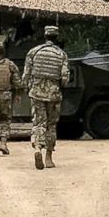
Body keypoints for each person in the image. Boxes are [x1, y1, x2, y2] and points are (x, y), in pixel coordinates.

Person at [23, 26, 69, 170]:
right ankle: (49, 157)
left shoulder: (34, 52)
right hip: (54, 94)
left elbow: (26, 75)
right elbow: (65, 78)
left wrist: (27, 89)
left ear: (45, 36)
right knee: (51, 125)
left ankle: (37, 148)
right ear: (56, 37)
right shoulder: (61, 54)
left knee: (38, 123)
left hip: (36, 92)